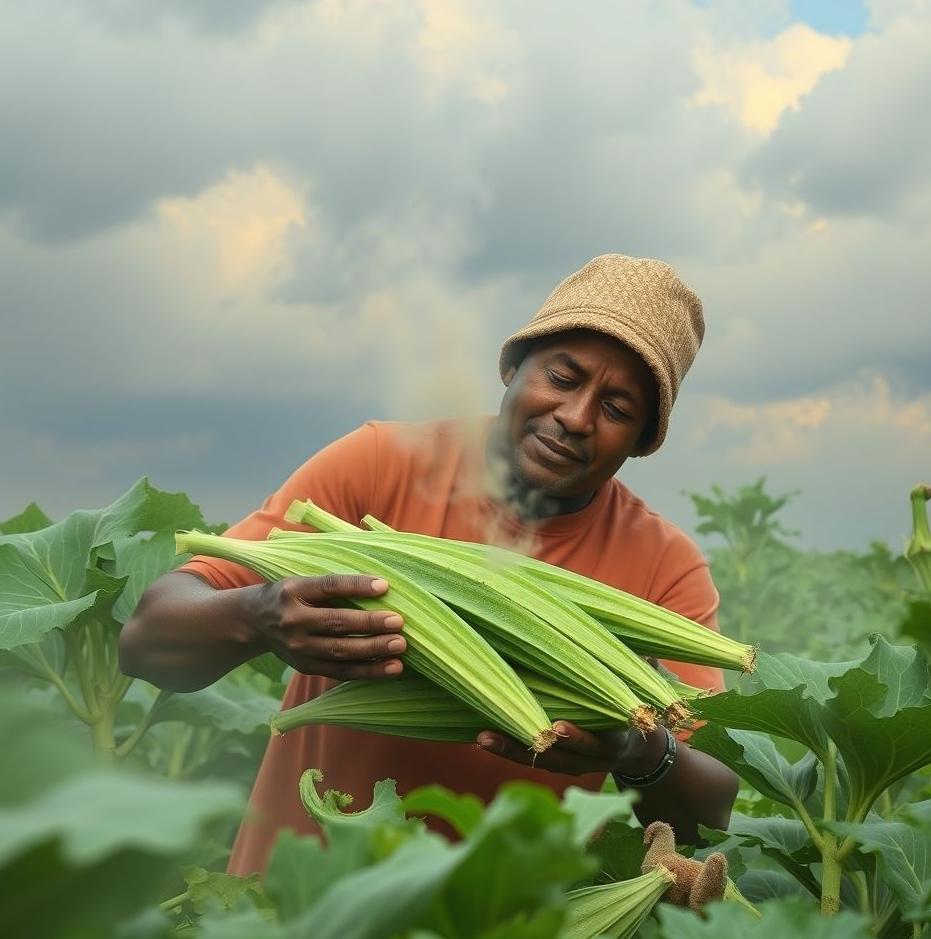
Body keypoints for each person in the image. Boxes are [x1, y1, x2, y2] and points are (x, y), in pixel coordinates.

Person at [119, 254, 738, 875]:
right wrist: (259, 616)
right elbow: (146, 642)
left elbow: (711, 810)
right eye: (564, 377)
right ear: (513, 369)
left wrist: (641, 750)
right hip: (300, 902)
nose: (576, 418)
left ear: (641, 442)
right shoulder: (380, 464)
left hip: (498, 914)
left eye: (617, 409)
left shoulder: (662, 567)